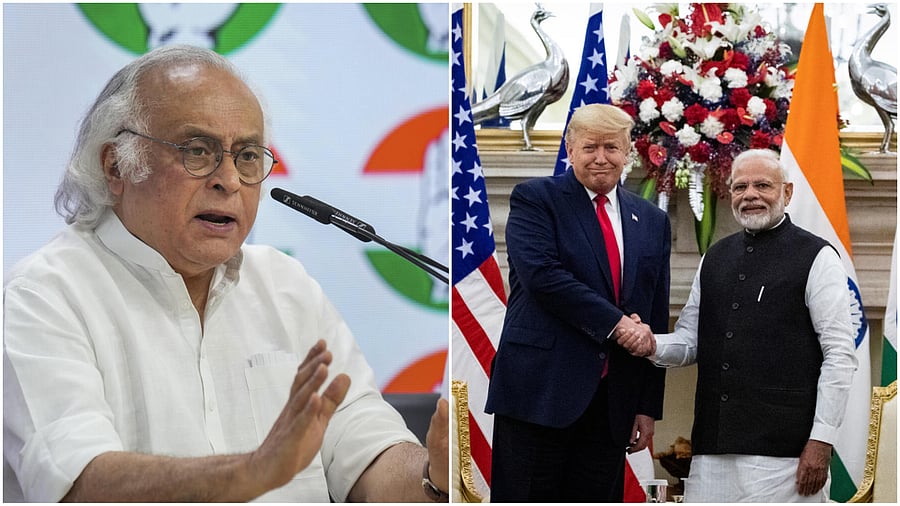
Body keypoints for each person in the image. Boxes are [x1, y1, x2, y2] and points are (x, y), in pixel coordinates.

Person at [3, 45, 449, 503]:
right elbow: (78, 483)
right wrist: (252, 472)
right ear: (116, 165)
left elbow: (368, 454)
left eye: (248, 156)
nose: (229, 180)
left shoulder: (285, 286)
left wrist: (437, 474)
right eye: (198, 151)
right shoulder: (43, 295)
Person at [617, 149, 858, 502]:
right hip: (711, 452)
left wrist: (821, 441)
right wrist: (650, 343)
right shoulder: (715, 256)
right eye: (740, 186)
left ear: (787, 193)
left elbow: (840, 356)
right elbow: (690, 340)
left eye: (763, 185)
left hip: (785, 455)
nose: (750, 195)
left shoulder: (817, 257)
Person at [484, 103, 671, 502]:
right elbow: (545, 279)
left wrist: (646, 406)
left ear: (627, 153)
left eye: (611, 147)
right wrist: (619, 326)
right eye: (590, 147)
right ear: (570, 150)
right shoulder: (536, 200)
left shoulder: (652, 220)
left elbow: (654, 314)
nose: (601, 158)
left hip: (611, 405)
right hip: (540, 393)